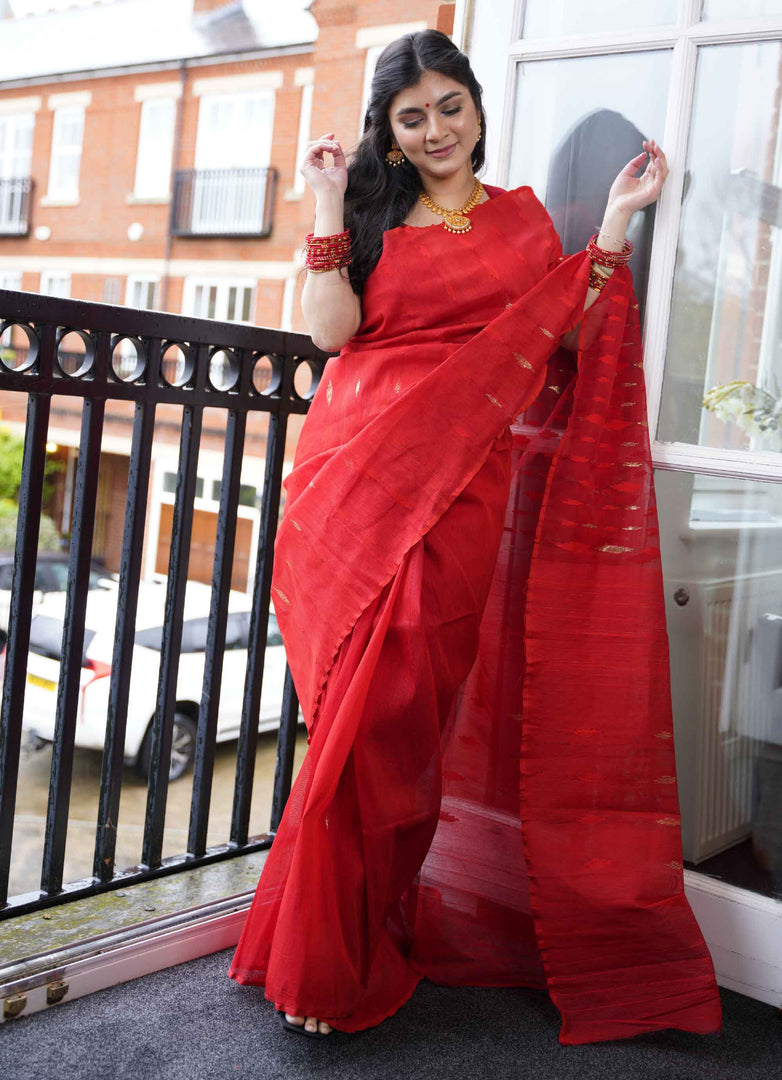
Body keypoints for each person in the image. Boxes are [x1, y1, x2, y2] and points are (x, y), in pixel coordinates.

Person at [228, 29, 723, 1046]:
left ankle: (359, 934)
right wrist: (324, 204)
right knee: (355, 731)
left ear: (476, 108)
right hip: (357, 482)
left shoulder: (520, 224)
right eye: (411, 117)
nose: (435, 129)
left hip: (459, 492)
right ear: (391, 133)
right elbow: (328, 334)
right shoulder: (370, 213)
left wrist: (616, 229)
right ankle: (326, 960)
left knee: (402, 726)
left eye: (449, 105)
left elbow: (563, 330)